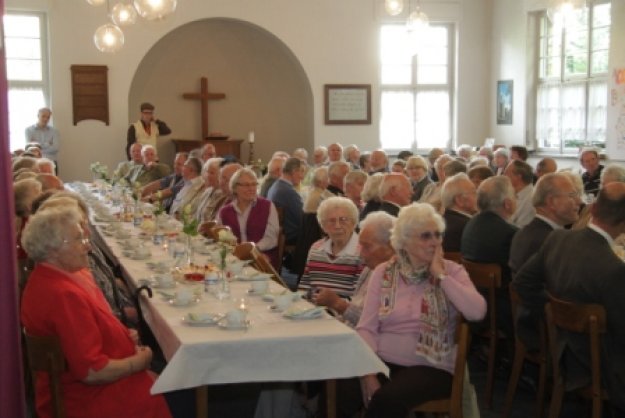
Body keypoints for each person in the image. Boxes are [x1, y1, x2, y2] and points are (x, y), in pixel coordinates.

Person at [20, 207, 171, 418]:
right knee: (181, 389)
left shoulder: (58, 277)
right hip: (89, 399)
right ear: (53, 249)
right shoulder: (62, 295)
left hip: (92, 384)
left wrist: (122, 336)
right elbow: (93, 372)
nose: (88, 246)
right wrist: (139, 361)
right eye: (78, 240)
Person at [357, 203, 486, 418]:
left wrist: (441, 276)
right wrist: (368, 373)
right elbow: (366, 328)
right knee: (339, 383)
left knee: (387, 399)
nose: (435, 242)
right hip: (381, 360)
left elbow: (477, 312)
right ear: (404, 242)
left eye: (438, 235)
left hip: (432, 366)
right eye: (426, 236)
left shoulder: (452, 271)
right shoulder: (384, 272)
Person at [514, 183, 625, 416]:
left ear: (592, 209)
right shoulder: (614, 269)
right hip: (598, 366)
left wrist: (553, 310)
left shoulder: (558, 239)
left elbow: (522, 283)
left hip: (562, 351)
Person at [508, 173, 581, 350]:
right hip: (545, 329)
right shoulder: (553, 241)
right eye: (572, 195)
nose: (579, 201)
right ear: (551, 202)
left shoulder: (524, 232)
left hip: (525, 321)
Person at [298, 197, 363, 298]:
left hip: (342, 311)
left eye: (343, 220)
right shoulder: (316, 248)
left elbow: (359, 298)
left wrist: (334, 305)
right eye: (331, 221)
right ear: (323, 226)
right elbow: (305, 287)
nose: (337, 226)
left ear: (354, 223)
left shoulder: (362, 252)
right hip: (312, 311)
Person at [217, 168, 280, 267]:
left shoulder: (267, 206)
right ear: (235, 187)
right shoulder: (225, 211)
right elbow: (221, 238)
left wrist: (251, 250)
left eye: (254, 184)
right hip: (233, 258)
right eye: (246, 185)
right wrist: (236, 252)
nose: (251, 188)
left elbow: (271, 238)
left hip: (261, 256)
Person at [267, 157, 304, 246]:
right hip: (290, 236)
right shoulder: (288, 192)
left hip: (280, 233)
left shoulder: (275, 186)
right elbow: (302, 218)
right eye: (301, 172)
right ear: (294, 171)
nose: (302, 176)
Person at [441, 173, 477, 252]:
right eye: (474, 192)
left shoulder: (440, 221)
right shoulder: (471, 226)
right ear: (459, 200)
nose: (478, 196)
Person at [24, 107, 60, 172]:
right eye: (43, 116)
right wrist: (48, 144)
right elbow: (30, 149)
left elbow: (55, 148)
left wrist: (38, 147)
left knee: (53, 182)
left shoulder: (54, 131)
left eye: (48, 117)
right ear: (38, 116)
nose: (45, 119)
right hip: (35, 164)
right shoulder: (28, 130)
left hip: (51, 163)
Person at [505, 159, 535, 227]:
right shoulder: (511, 193)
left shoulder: (531, 199)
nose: (504, 176)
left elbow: (521, 228)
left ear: (518, 177)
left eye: (506, 173)